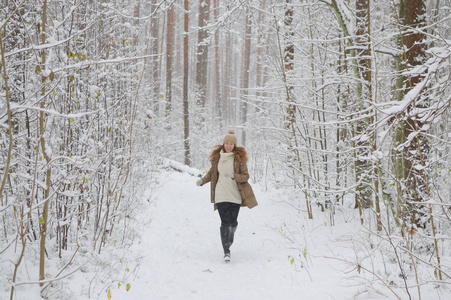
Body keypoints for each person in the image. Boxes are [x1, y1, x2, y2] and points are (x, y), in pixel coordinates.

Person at [196, 129, 258, 263]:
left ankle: (229, 240)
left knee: (233, 222)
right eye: (226, 143)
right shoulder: (217, 158)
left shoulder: (239, 159)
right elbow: (212, 173)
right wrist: (202, 181)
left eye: (231, 144)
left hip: (235, 195)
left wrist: (234, 176)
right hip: (221, 194)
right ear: (223, 144)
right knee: (225, 223)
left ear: (234, 145)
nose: (228, 146)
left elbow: (246, 176)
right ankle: (226, 251)